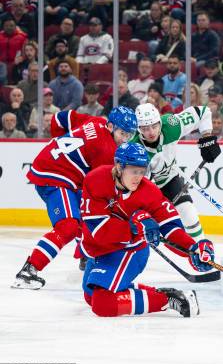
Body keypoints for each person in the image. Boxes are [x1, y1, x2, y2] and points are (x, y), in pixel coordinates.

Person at [80, 142, 213, 317]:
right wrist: (133, 226)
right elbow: (99, 231)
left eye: (142, 171)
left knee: (103, 303)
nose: (139, 177)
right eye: (134, 171)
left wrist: (192, 249)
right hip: (101, 249)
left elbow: (170, 227)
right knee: (91, 295)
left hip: (131, 250)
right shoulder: (95, 180)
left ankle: (171, 300)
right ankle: (162, 294)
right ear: (119, 167)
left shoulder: (149, 192)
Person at [12, 106, 139, 289]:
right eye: (123, 133)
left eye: (130, 134)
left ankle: (85, 256)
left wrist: (58, 144)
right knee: (69, 226)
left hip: (53, 166)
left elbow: (61, 118)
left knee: (87, 211)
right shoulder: (106, 151)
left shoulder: (96, 121)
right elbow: (103, 189)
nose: (126, 139)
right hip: (56, 176)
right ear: (111, 127)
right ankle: (29, 270)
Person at [131, 102, 219, 241]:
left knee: (188, 212)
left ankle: (203, 251)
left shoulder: (172, 125)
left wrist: (207, 138)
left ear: (160, 122)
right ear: (138, 129)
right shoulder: (134, 148)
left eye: (154, 126)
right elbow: (136, 187)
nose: (151, 132)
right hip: (145, 188)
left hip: (170, 179)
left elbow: (203, 112)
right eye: (145, 128)